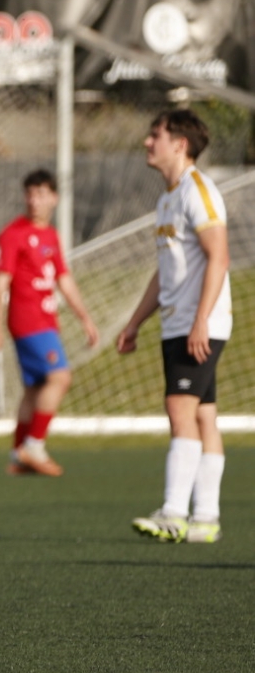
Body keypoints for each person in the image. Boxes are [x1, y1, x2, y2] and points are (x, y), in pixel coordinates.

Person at [118, 109, 231, 544]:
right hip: (178, 323)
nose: (148, 142)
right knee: (203, 415)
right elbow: (166, 272)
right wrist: (134, 322)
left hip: (197, 323)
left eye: (155, 135)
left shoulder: (197, 191)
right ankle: (205, 519)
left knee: (178, 408)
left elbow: (219, 256)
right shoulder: (167, 197)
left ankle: (173, 512)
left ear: (179, 144)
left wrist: (202, 319)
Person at [0, 169, 100, 476]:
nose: (34, 201)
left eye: (41, 194)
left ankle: (18, 456)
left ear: (54, 198)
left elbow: (64, 279)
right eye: (30, 194)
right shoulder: (12, 235)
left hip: (46, 320)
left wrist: (85, 318)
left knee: (35, 388)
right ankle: (35, 446)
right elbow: (0, 285)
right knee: (60, 378)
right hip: (27, 321)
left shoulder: (51, 235)